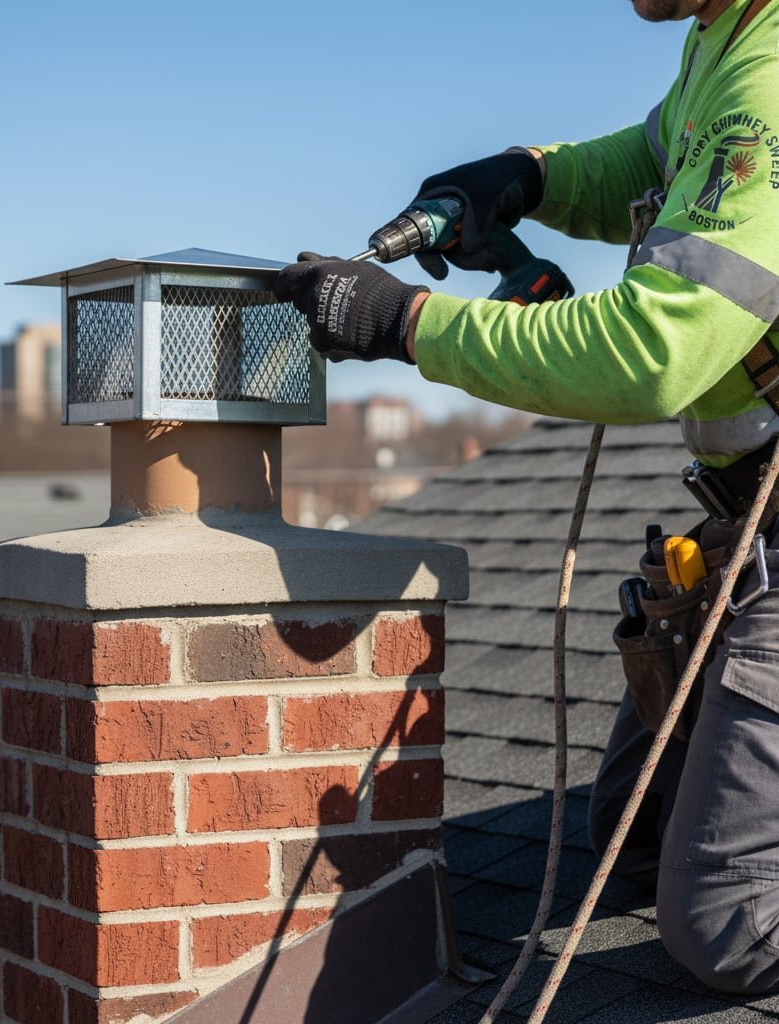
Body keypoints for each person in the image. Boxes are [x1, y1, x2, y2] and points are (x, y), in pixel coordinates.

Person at [274, 0, 779, 997]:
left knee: (727, 923)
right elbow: (644, 155)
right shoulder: (725, 37)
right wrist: (528, 175)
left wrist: (406, 323)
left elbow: (651, 354)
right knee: (624, 841)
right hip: (745, 517)